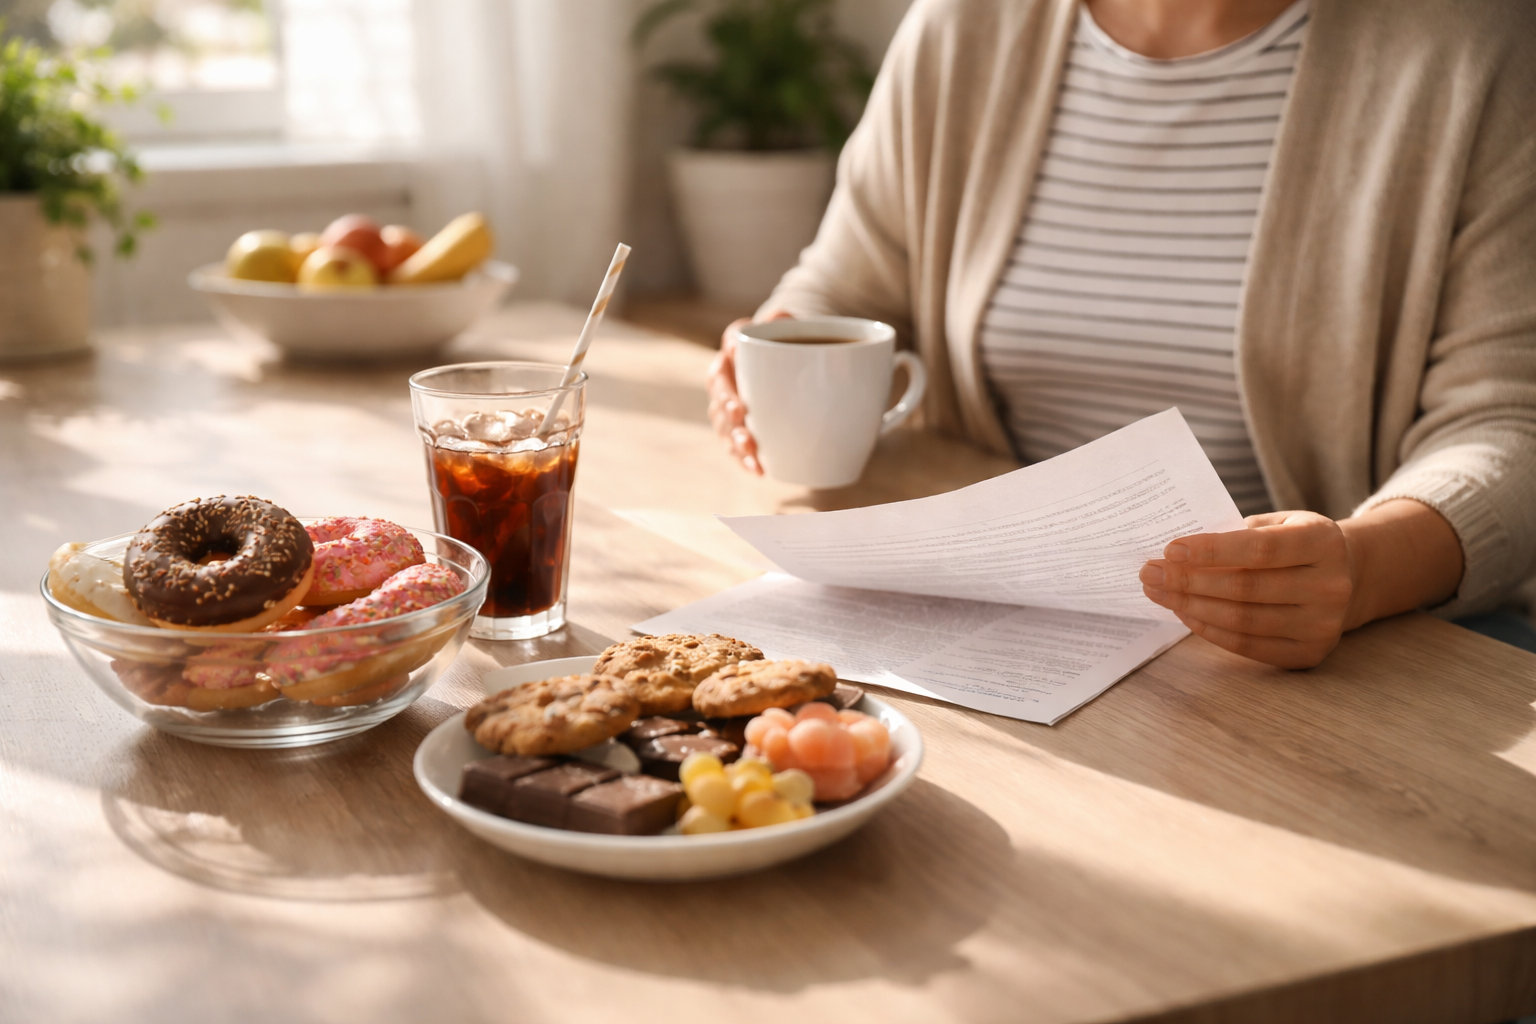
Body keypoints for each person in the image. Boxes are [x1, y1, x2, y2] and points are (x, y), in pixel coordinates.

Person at [707, 0, 1536, 668]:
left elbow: (1509, 419)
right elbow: (844, 283)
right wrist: (775, 347)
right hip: (998, 617)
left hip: (1282, 664)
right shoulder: (961, 26)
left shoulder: (1474, 43)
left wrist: (1363, 567)